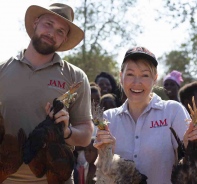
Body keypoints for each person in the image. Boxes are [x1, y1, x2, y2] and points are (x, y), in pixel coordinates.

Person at [0, 3, 93, 184]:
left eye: (60, 31)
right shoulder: (2, 71)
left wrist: (66, 131)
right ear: (35, 23)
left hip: (55, 179)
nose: (51, 33)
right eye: (48, 24)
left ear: (65, 39)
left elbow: (86, 133)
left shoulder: (75, 77)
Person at [93, 46, 197, 184]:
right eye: (130, 74)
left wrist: (190, 144)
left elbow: (191, 163)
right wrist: (106, 154)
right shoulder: (108, 118)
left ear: (155, 78)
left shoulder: (173, 111)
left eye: (145, 75)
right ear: (121, 76)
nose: (137, 82)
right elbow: (101, 174)